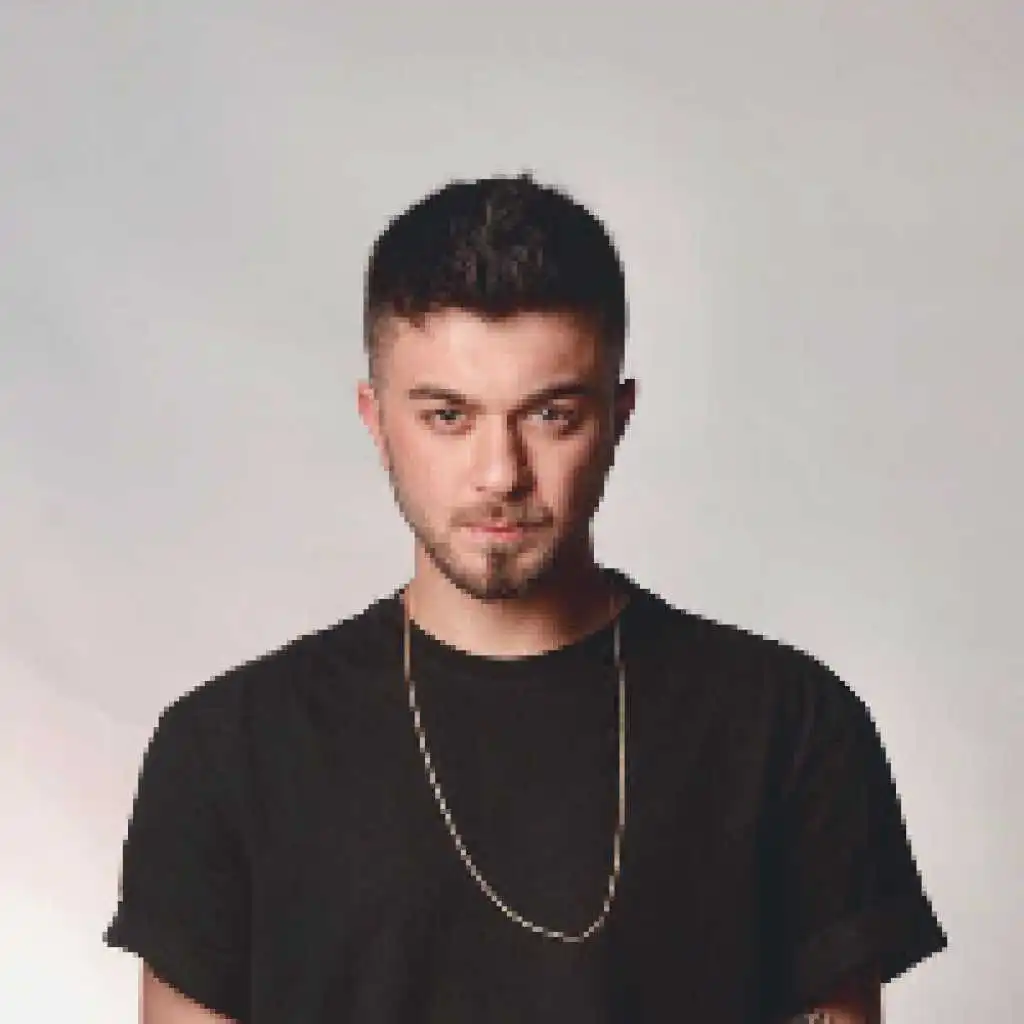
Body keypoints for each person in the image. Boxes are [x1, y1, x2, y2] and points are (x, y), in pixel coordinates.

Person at [103, 172, 947, 1023]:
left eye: (550, 415)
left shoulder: (788, 727)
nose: (500, 473)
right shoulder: (227, 749)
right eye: (447, 416)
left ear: (617, 419)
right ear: (376, 419)